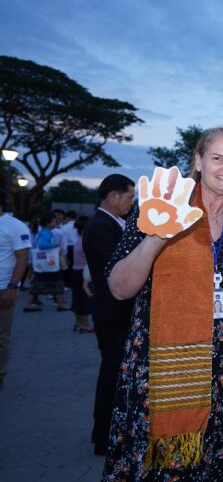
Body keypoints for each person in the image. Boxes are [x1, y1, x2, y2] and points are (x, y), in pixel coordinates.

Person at [102, 127, 223, 481]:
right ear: (198, 161)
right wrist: (157, 236)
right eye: (217, 157)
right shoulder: (160, 207)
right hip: (167, 373)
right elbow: (120, 287)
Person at [82, 174, 136, 456]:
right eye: (129, 197)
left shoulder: (114, 223)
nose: (132, 203)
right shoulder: (100, 227)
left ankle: (115, 431)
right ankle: (103, 436)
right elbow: (119, 266)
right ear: (113, 196)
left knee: (120, 375)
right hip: (113, 314)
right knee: (112, 376)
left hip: (120, 313)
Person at [0, 191, 31, 390]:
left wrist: (12, 287)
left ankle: (0, 374)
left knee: (2, 335)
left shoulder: (15, 226)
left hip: (3, 288)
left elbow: (22, 259)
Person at [23, 212, 69, 312]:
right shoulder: (46, 233)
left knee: (38, 284)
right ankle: (60, 304)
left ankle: (29, 304)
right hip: (49, 264)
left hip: (45, 264)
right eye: (54, 221)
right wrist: (54, 245)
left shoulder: (44, 232)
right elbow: (42, 245)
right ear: (48, 223)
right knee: (58, 283)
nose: (56, 223)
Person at [70, 215, 93, 332]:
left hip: (76, 271)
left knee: (77, 298)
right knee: (84, 299)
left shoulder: (79, 240)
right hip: (83, 273)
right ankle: (84, 324)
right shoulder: (87, 241)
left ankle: (78, 322)